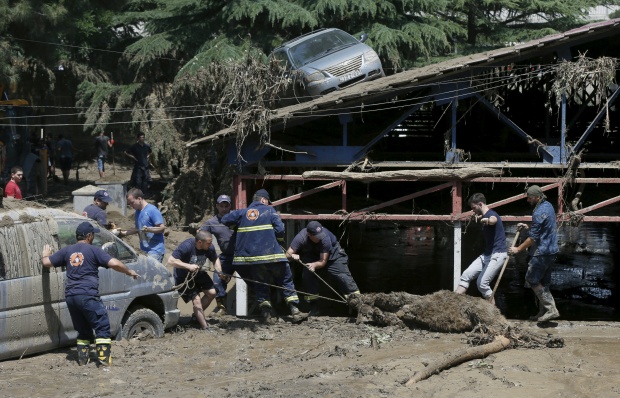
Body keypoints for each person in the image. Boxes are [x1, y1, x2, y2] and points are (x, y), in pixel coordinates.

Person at [41, 222, 139, 366]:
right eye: (93, 234)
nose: (93, 237)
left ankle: (83, 360)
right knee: (102, 325)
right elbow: (115, 264)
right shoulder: (94, 250)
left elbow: (46, 263)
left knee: (83, 329)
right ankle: (105, 361)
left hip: (71, 297)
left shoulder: (67, 251)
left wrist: (45, 255)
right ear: (89, 236)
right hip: (87, 295)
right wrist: (129, 271)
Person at [222, 189, 305, 324]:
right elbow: (280, 230)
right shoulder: (270, 211)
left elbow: (225, 219)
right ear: (263, 200)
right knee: (285, 281)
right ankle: (295, 311)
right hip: (273, 256)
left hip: (253, 260)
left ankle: (267, 314)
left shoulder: (242, 213)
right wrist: (280, 241)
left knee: (261, 286)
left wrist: (237, 223)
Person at [286, 221, 360, 316]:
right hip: (311, 255)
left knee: (344, 277)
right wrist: (292, 255)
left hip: (333, 256)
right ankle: (314, 307)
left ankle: (358, 306)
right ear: (309, 234)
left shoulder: (325, 238)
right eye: (317, 236)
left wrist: (315, 265)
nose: (320, 237)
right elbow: (287, 254)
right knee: (307, 278)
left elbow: (323, 261)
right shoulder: (301, 238)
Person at [509, 185, 560, 322]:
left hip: (541, 252)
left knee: (532, 279)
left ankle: (551, 309)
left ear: (537, 197)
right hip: (551, 250)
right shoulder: (548, 205)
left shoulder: (538, 213)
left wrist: (518, 249)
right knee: (543, 282)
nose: (528, 200)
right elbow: (543, 227)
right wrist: (528, 227)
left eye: (530, 198)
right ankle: (543, 313)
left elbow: (533, 238)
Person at [168, 230, 227, 330]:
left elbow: (215, 259)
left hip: (198, 273)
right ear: (200, 242)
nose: (211, 245)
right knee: (197, 299)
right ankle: (205, 326)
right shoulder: (187, 246)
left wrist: (219, 271)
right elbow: (171, 261)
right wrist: (188, 266)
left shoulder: (209, 247)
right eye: (208, 243)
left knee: (212, 293)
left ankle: (196, 317)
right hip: (183, 276)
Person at [455, 193, 507, 304]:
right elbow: (481, 216)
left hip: (498, 254)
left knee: (482, 284)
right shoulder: (483, 215)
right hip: (487, 254)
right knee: (466, 275)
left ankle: (493, 313)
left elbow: (494, 220)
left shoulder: (492, 214)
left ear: (480, 204)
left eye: (474, 208)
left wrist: (487, 221)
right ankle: (454, 303)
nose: (473, 211)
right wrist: (479, 217)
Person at [200, 194, 238, 315]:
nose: (224, 208)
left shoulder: (237, 217)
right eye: (221, 206)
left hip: (242, 255)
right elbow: (201, 233)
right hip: (226, 256)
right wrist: (195, 229)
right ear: (217, 206)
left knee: (253, 279)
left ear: (230, 206)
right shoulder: (212, 222)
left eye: (226, 206)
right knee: (217, 279)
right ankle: (222, 307)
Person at [120, 188, 166, 263]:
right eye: (129, 204)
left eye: (132, 203)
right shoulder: (138, 212)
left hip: (155, 251)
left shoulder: (152, 210)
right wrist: (123, 233)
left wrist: (149, 229)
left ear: (139, 198)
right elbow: (138, 229)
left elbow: (162, 228)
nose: (131, 206)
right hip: (144, 251)